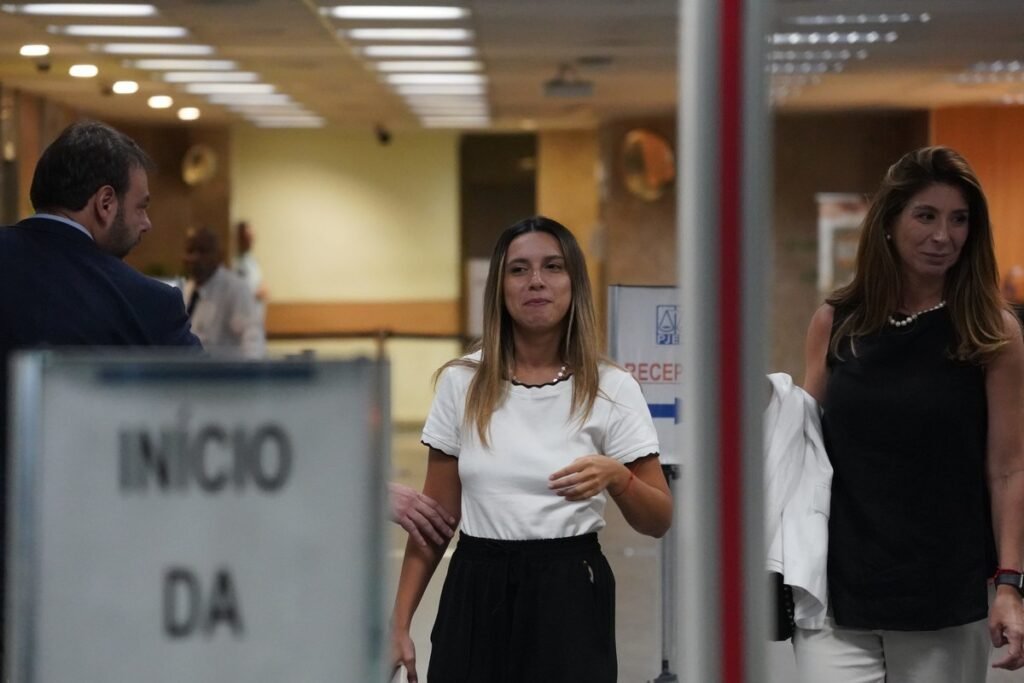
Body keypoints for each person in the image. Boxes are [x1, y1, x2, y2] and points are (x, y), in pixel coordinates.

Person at [391, 216, 673, 683]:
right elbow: (434, 522)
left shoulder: (612, 387)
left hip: (570, 594)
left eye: (552, 267)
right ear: (499, 288)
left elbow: (658, 519)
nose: (536, 280)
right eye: (518, 269)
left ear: (574, 282)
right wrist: (399, 623)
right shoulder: (462, 382)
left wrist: (617, 477)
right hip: (476, 590)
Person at [798, 146, 1024, 681]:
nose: (943, 235)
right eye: (926, 216)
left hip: (943, 592)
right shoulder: (837, 321)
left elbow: (1008, 470)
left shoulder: (991, 332)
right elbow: (804, 449)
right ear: (889, 222)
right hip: (838, 589)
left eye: (959, 219)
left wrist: (1010, 584)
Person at [0, 119, 201, 664]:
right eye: (142, 206)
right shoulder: (146, 305)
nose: (148, 223)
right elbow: (225, 415)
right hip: (83, 582)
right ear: (105, 203)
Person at [183, 226, 266, 357]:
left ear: (218, 255)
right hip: (188, 367)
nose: (195, 258)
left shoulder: (235, 289)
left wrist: (250, 368)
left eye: (203, 251)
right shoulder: (186, 290)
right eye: (190, 251)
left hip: (224, 369)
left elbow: (253, 341)